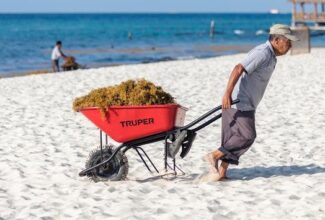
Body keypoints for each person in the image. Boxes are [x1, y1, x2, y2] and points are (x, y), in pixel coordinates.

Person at [205, 24, 299, 181]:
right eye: (288, 42)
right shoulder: (263, 53)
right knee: (247, 136)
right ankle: (214, 155)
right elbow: (238, 68)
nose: (290, 46)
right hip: (239, 102)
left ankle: (221, 173)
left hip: (247, 102)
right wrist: (227, 94)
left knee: (232, 138)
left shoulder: (271, 56)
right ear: (276, 40)